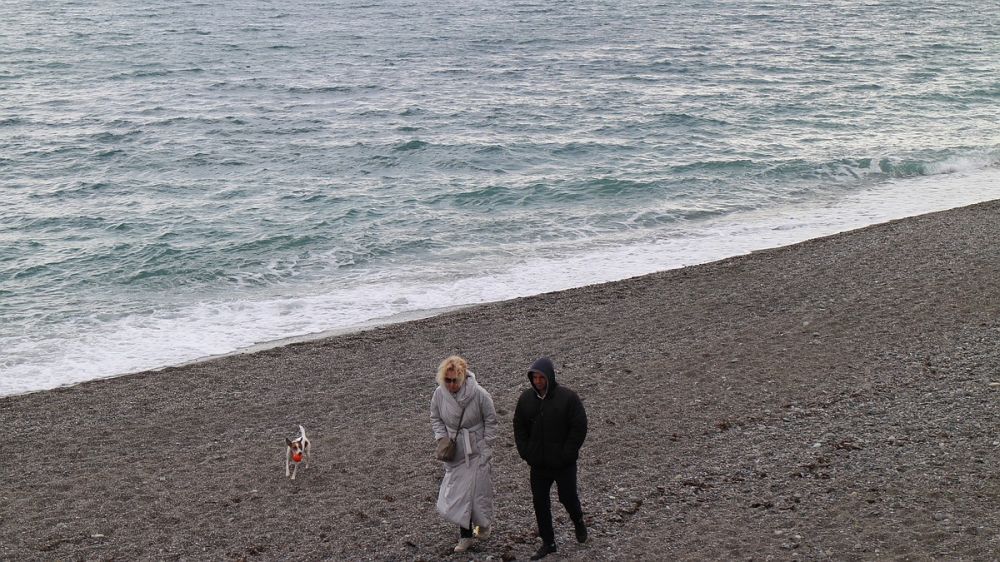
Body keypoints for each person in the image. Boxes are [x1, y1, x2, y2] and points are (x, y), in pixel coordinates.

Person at [513, 356, 589, 560]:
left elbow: (579, 427)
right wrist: (526, 451)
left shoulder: (568, 398)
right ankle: (548, 542)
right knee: (540, 503)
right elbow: (519, 426)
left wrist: (567, 454)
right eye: (534, 378)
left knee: (568, 497)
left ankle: (578, 521)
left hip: (563, 464)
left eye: (541, 377)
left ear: (550, 377)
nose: (538, 381)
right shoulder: (526, 399)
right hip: (538, 464)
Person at [430, 355, 498, 553]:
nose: (451, 384)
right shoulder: (439, 394)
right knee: (458, 495)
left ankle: (483, 525)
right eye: (447, 380)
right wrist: (442, 438)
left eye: (455, 380)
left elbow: (491, 420)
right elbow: (435, 417)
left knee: (478, 493)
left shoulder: (479, 394)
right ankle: (465, 536)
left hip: (476, 450)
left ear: (463, 377)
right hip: (455, 451)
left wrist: (486, 446)